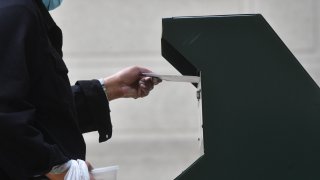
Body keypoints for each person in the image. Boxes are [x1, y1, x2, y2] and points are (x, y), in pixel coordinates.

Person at [0, 0, 159, 179]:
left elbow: (42, 110)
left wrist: (109, 88)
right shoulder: (16, 10)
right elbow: (5, 115)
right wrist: (59, 169)